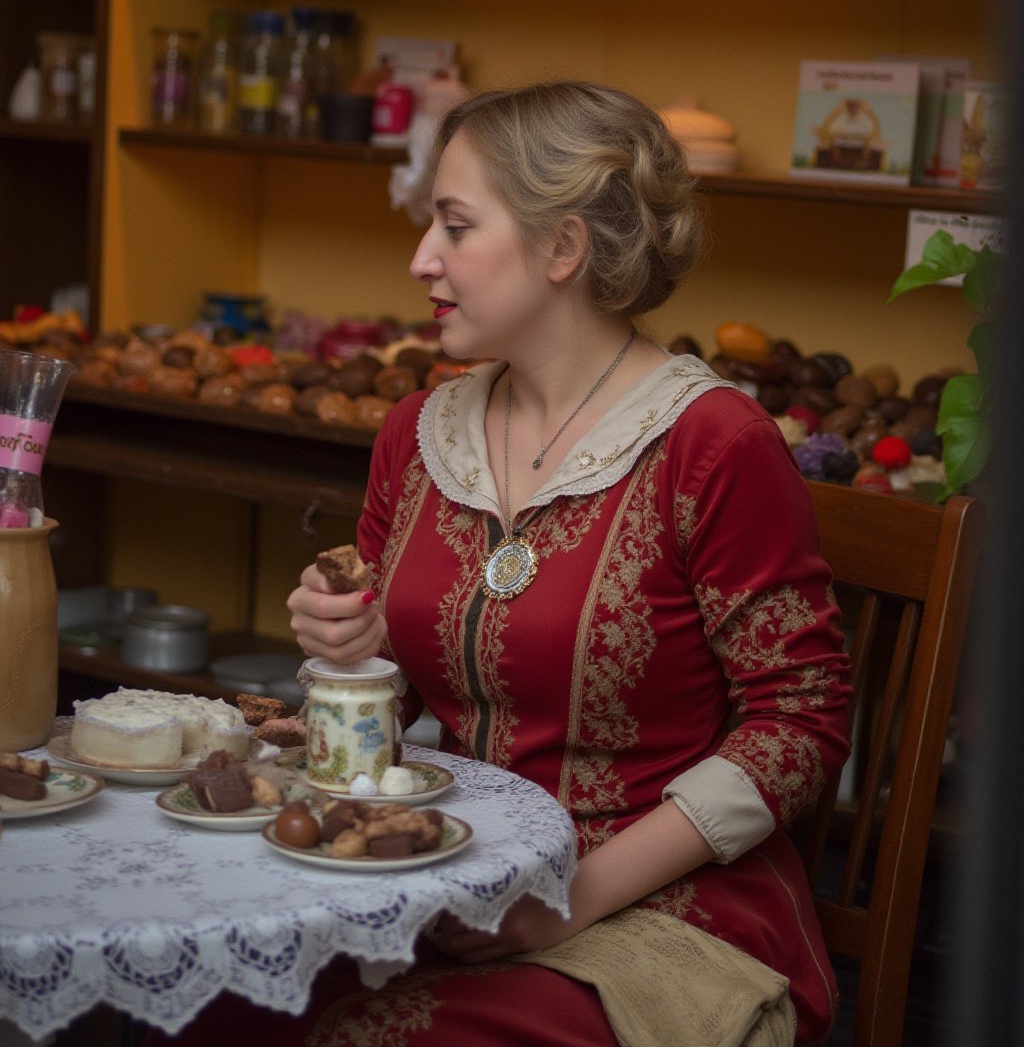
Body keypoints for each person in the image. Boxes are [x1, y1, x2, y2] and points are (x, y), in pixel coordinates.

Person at [161, 80, 851, 1047]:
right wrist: (347, 654)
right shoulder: (418, 431)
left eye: (454, 225)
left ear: (563, 247)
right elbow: (389, 714)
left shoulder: (714, 443)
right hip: (446, 869)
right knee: (205, 1000)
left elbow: (800, 724)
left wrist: (570, 895)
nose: (421, 258)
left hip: (661, 906)